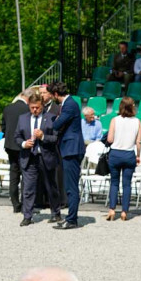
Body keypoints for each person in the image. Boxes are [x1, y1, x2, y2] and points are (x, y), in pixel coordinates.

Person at [15, 91, 60, 227]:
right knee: (28, 188)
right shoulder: (22, 118)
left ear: (42, 106)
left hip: (45, 157)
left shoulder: (51, 118)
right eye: (32, 107)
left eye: (38, 107)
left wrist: (43, 137)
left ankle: (56, 212)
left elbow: (55, 138)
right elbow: (16, 136)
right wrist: (24, 144)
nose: (35, 110)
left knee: (50, 186)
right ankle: (27, 215)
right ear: (29, 105)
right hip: (29, 157)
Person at [49, 82, 84, 230]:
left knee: (71, 186)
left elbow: (56, 125)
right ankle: (70, 217)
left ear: (56, 94)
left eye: (52, 96)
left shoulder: (69, 105)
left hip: (72, 149)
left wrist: (53, 119)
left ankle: (72, 220)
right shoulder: (69, 104)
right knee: (69, 185)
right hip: (69, 148)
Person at [104, 97, 141, 222]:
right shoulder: (137, 121)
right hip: (129, 154)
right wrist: (138, 155)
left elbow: (109, 139)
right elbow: (138, 142)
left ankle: (112, 210)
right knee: (127, 184)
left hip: (115, 153)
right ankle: (125, 211)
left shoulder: (115, 120)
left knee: (114, 183)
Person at [1, 90, 31, 215]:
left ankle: (15, 204)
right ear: (28, 98)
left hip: (9, 145)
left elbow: (3, 127)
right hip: (22, 145)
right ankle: (25, 203)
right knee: (25, 175)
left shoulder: (7, 108)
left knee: (13, 175)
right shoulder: (27, 109)